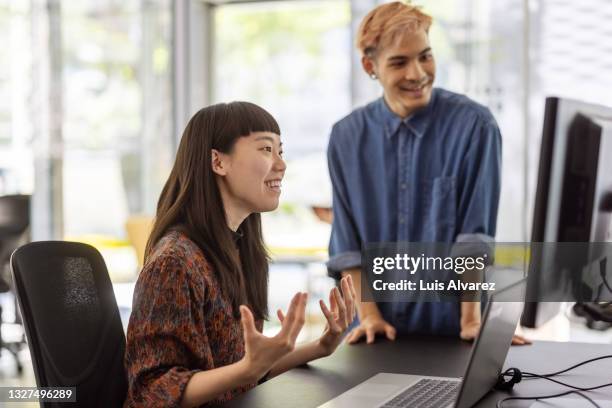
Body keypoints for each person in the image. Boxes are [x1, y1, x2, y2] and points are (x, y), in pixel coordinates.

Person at [124, 102, 357, 407]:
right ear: (218, 162)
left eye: (280, 151)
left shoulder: (240, 250)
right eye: (265, 149)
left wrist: (321, 346)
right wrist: (247, 368)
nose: (281, 164)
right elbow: (151, 392)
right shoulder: (175, 263)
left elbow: (244, 371)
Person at [326, 2, 528, 345]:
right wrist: (371, 316)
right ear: (370, 66)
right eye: (399, 62)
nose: (417, 73)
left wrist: (471, 320)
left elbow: (473, 239)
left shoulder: (475, 126)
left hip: (450, 333)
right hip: (372, 334)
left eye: (425, 56)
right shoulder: (346, 137)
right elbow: (347, 246)